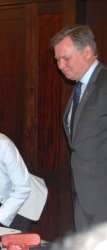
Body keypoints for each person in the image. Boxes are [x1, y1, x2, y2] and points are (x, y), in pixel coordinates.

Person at [50, 24, 107, 232]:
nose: (60, 66)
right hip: (82, 194)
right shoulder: (79, 87)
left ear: (88, 52)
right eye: (57, 60)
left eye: (66, 58)